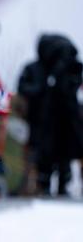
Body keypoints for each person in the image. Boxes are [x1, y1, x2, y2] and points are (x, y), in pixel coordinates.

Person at [18, 33, 83, 196]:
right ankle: (44, 185)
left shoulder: (69, 67)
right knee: (45, 155)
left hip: (63, 121)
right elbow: (23, 88)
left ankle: (61, 184)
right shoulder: (35, 69)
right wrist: (40, 89)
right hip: (43, 121)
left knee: (62, 156)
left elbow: (74, 88)